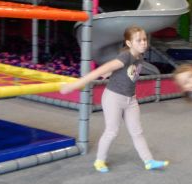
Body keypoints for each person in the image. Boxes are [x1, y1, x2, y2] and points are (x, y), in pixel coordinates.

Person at [60, 26, 169, 173]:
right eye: (139, 40)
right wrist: (75, 84)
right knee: (112, 131)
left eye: (144, 39)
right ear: (129, 43)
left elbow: (121, 71)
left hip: (131, 99)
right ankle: (99, 160)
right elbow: (101, 70)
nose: (143, 43)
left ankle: (149, 161)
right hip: (114, 98)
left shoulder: (139, 57)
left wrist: (111, 72)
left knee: (137, 132)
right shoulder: (126, 56)